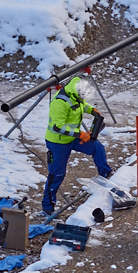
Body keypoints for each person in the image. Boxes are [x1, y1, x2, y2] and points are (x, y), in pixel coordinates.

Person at [42, 76, 112, 218]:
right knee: (57, 174)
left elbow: (82, 105)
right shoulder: (59, 102)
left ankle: (106, 175)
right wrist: (80, 135)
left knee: (97, 148)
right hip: (58, 142)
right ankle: (47, 206)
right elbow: (57, 127)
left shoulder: (76, 94)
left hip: (73, 137)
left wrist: (92, 110)